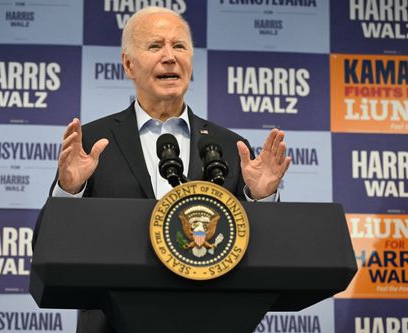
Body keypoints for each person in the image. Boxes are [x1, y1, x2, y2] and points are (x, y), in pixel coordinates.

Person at [38, 6, 290, 333]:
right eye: (155, 46)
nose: (170, 57)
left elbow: (259, 250)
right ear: (128, 64)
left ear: (191, 62)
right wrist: (69, 191)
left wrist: (261, 199)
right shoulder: (94, 143)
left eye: (180, 46)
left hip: (211, 321)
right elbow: (45, 246)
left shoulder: (229, 146)